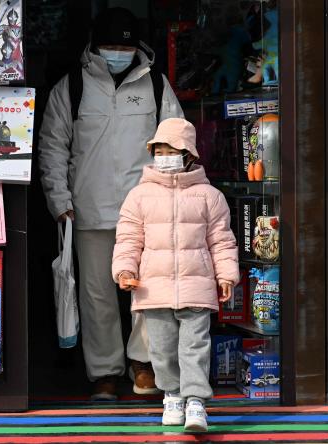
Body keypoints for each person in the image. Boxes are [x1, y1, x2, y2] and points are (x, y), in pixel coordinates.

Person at [39, 7, 184, 401]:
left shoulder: (155, 83)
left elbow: (176, 140)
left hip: (147, 209)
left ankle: (143, 365)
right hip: (89, 210)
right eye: (110, 45)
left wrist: (170, 194)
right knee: (98, 296)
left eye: (125, 45)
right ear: (94, 46)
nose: (118, 52)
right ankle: (104, 372)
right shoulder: (71, 86)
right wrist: (60, 203)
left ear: (136, 47)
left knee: (149, 291)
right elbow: (52, 148)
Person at [112, 118, 240, 432]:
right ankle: (172, 395)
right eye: (160, 150)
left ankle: (195, 401)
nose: (165, 155)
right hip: (153, 289)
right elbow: (129, 239)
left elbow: (222, 240)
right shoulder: (138, 196)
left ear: (189, 155)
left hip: (197, 286)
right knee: (161, 348)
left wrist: (226, 276)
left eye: (172, 150)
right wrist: (125, 270)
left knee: (195, 346)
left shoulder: (210, 197)